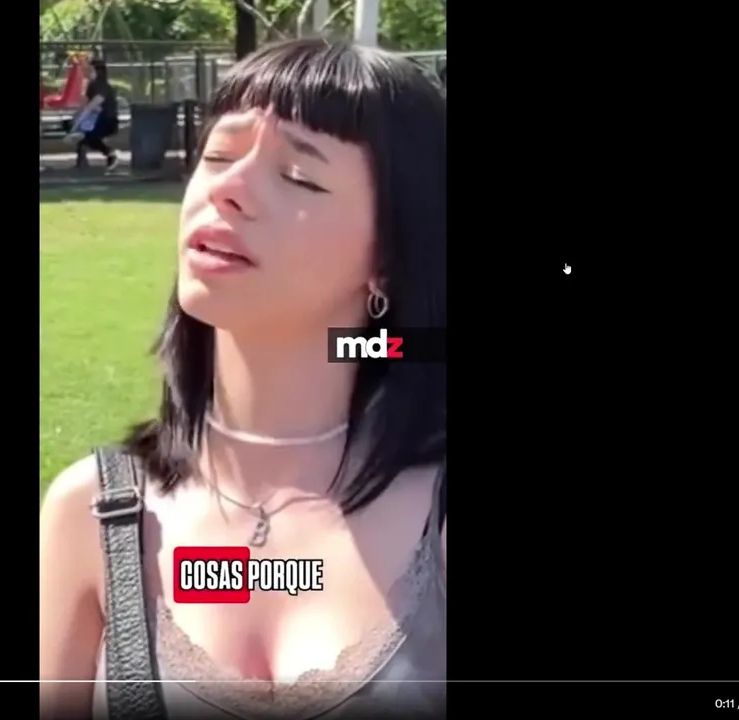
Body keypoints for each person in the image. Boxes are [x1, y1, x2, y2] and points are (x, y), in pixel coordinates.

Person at [40, 38, 447, 719]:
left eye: (300, 176)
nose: (226, 189)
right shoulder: (93, 512)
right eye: (219, 156)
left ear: (388, 255)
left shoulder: (435, 517)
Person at [62, 57, 120, 173]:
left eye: (90, 69)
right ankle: (81, 163)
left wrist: (76, 126)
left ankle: (110, 153)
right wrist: (75, 120)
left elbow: (91, 106)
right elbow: (85, 106)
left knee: (88, 137)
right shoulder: (92, 85)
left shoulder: (100, 86)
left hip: (107, 121)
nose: (86, 72)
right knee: (72, 129)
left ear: (97, 71)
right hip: (96, 120)